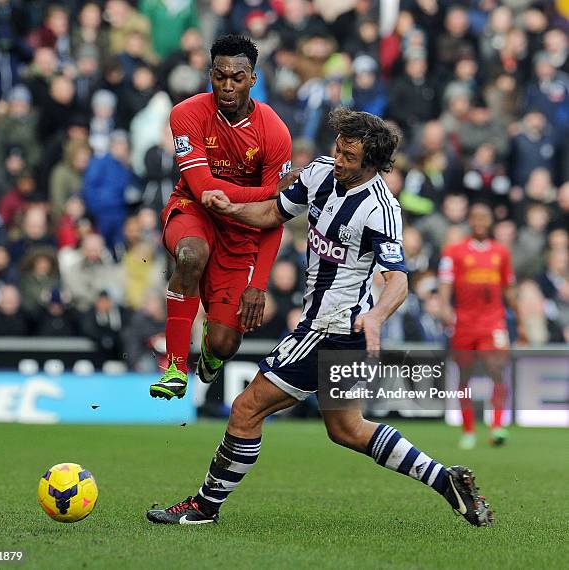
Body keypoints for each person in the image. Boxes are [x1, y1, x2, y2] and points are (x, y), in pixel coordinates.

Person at [146, 109, 493, 528]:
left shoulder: (381, 209)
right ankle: (444, 479)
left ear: (373, 164)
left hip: (332, 329)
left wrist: (379, 316)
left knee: (245, 409)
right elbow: (273, 214)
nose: (340, 160)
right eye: (338, 150)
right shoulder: (321, 173)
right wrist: (230, 207)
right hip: (331, 328)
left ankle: (204, 507)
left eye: (350, 156)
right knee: (346, 429)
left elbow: (398, 278)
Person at [150, 35, 294, 400]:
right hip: (193, 211)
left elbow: (274, 217)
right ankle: (174, 367)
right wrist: (272, 192)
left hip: (243, 231)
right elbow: (203, 188)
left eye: (237, 77)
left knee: (226, 342)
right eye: (219, 76)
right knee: (190, 256)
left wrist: (258, 285)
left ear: (253, 79)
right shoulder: (186, 114)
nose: (227, 86)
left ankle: (211, 353)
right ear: (209, 74)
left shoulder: (274, 132)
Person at [438, 203, 526, 450]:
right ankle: (468, 430)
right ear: (469, 220)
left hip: (493, 322)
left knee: (497, 370)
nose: (479, 222)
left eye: (484, 217)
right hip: (464, 322)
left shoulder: (501, 253)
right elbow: (445, 285)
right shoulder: (454, 252)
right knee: (464, 375)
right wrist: (444, 308)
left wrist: (520, 322)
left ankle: (497, 426)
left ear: (490, 222)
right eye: (475, 217)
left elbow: (509, 290)